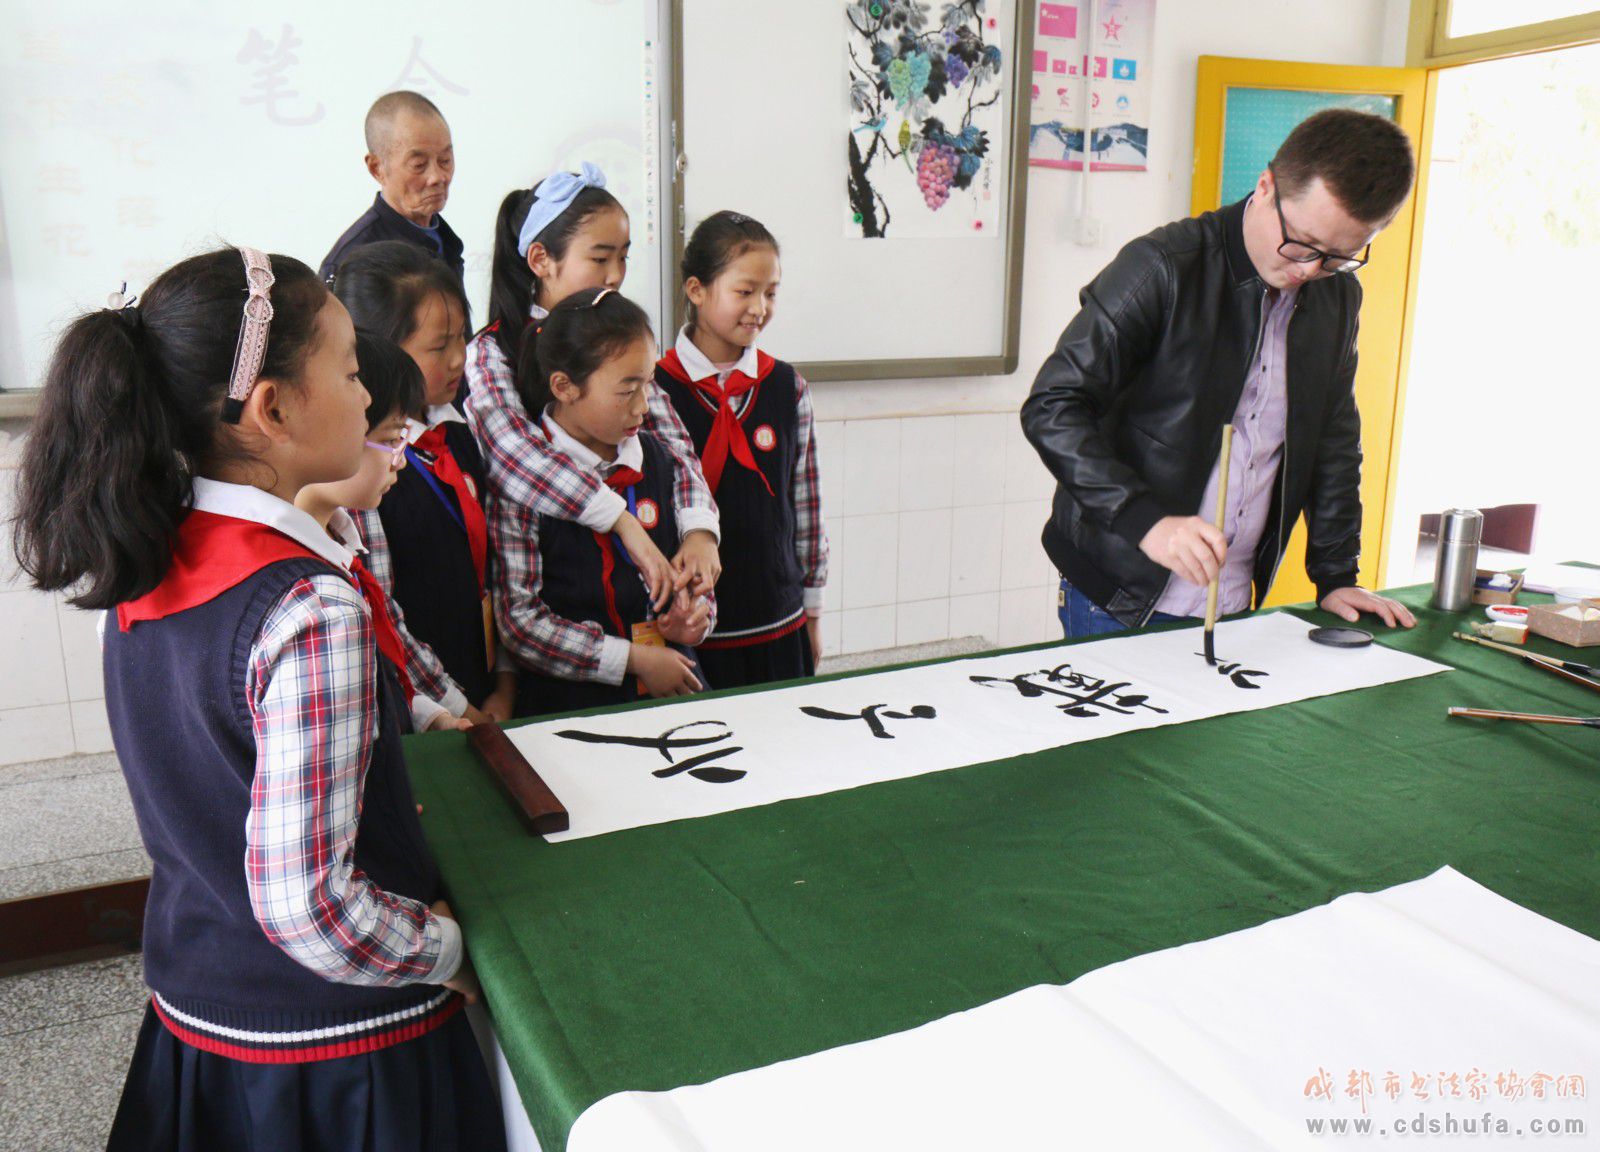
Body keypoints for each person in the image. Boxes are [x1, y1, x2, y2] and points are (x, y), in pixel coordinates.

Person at [11, 247, 501, 1149]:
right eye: (351, 372)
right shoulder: (307, 609)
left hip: (204, 1015)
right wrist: (448, 955)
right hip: (339, 1052)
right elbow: (309, 907)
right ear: (273, 410)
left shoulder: (143, 556)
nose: (366, 399)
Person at [1022, 108, 1420, 638]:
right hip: (1118, 590)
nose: (1307, 270)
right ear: (1265, 187)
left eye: (1336, 256)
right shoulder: (1163, 266)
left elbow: (1333, 436)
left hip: (1234, 595)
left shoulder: (1337, 297)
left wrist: (1335, 574)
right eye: (1300, 243)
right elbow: (1053, 405)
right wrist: (1146, 521)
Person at [463, 164, 721, 619]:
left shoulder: (619, 336)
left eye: (623, 258)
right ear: (541, 259)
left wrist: (699, 529)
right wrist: (620, 520)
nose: (615, 275)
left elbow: (675, 445)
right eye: (600, 259)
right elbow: (514, 455)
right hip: (553, 581)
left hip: (635, 579)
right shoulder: (492, 349)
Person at [497, 287, 712, 716]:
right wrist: (631, 660)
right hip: (568, 706)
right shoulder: (526, 484)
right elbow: (520, 622)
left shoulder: (659, 458)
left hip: (670, 685)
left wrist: (695, 619)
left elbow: (691, 575)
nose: (644, 406)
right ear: (564, 386)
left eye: (649, 384)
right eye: (627, 390)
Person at [333, 243, 516, 720]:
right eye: (439, 346)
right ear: (378, 350)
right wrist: (457, 707)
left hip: (479, 680)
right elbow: (384, 611)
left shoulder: (455, 432)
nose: (460, 359)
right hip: (425, 702)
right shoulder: (366, 464)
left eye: (462, 338)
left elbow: (492, 567)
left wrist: (505, 682)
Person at [654, 211, 828, 687]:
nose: (760, 307)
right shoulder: (652, 389)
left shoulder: (786, 386)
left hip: (779, 619)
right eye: (744, 291)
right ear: (696, 290)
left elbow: (806, 510)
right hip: (689, 635)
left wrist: (812, 614)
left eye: (770, 293)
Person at [319, 90, 463, 283]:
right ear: (377, 168)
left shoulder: (445, 239)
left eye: (445, 160)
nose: (437, 177)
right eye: (419, 165)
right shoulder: (354, 262)